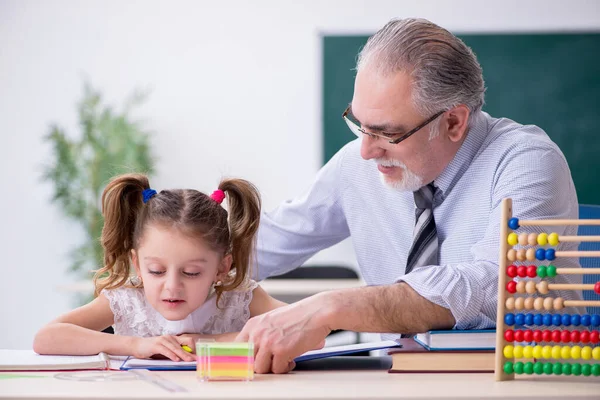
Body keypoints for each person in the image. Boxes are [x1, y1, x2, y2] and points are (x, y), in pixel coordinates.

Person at [236, 17, 583, 373]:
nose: (367, 150)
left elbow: (499, 283)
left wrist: (332, 307)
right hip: (397, 379)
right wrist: (181, 271)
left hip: (523, 380)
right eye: (359, 125)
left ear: (453, 122)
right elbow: (265, 242)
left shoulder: (526, 161)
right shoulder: (357, 165)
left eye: (387, 134)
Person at [34, 173, 285, 362]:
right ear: (138, 265)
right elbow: (46, 337)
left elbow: (310, 334)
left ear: (221, 268)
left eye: (191, 273)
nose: (172, 286)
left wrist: (211, 342)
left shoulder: (239, 297)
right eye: (156, 271)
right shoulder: (128, 300)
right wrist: (134, 345)